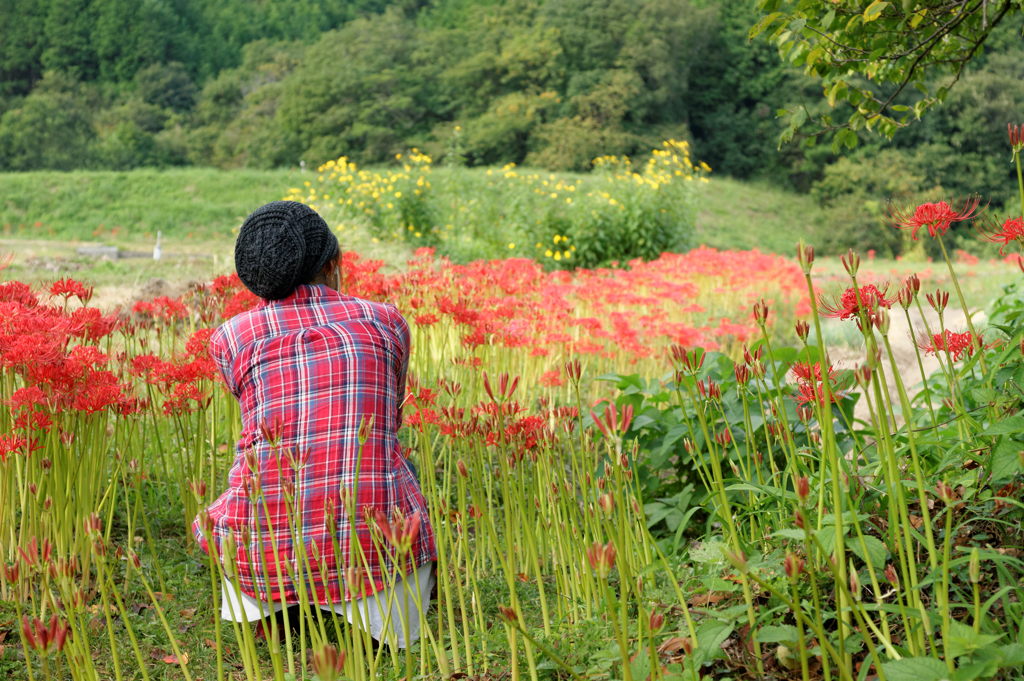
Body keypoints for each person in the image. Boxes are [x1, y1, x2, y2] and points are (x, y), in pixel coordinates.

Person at [193, 201, 436, 648]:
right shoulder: (387, 322)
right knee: (402, 462)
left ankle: (271, 608)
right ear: (332, 263)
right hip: (379, 554)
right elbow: (390, 419)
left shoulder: (230, 337)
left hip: (258, 557)